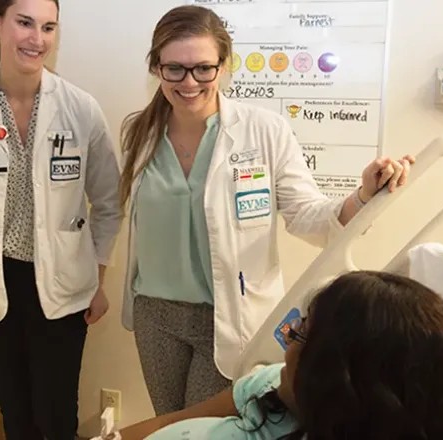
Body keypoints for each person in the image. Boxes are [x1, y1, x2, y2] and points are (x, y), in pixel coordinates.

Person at [118, 5, 415, 415]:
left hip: (228, 315)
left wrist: (362, 196)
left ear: (223, 66)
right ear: (156, 67)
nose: (189, 82)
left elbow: (308, 216)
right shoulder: (140, 133)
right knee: (170, 423)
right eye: (175, 69)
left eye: (203, 68)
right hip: (156, 315)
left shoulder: (263, 131)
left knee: (211, 430)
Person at [0, 0, 122, 438]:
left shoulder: (80, 108)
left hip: (65, 286)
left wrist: (99, 279)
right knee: (15, 415)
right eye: (25, 23)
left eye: (49, 27)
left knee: (57, 419)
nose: (37, 39)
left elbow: (109, 201)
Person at [116, 270, 443, 440]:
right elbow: (179, 418)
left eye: (302, 335)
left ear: (344, 376)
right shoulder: (270, 384)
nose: (286, 345)